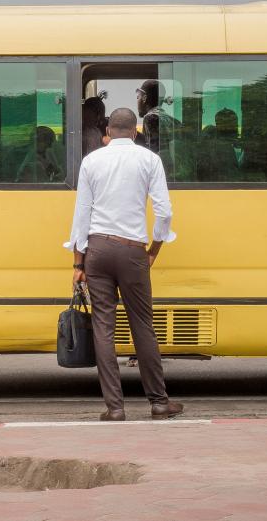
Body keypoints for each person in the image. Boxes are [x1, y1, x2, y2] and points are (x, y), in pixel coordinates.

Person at [65, 107, 184, 422]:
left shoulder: (91, 161)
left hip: (98, 250)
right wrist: (154, 249)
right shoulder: (149, 160)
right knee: (142, 325)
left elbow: (82, 215)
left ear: (108, 130)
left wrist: (78, 261)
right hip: (132, 251)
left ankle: (114, 408)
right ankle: (159, 403)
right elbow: (164, 211)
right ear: (135, 131)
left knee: (104, 327)